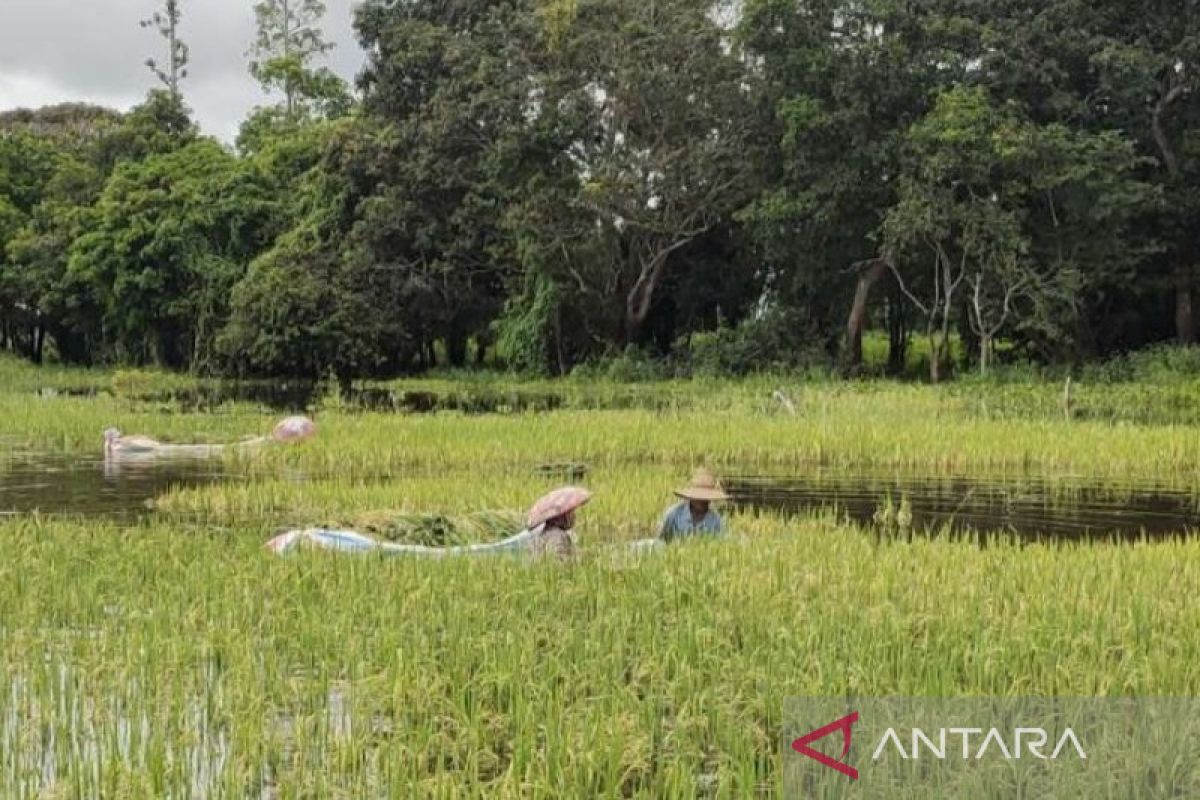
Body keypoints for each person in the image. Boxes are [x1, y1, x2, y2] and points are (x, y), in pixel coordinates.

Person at [658, 467, 728, 542]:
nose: (702, 501)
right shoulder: (674, 515)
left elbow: (722, 544)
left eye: (706, 498)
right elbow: (662, 541)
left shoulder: (716, 521)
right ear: (691, 497)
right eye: (699, 497)